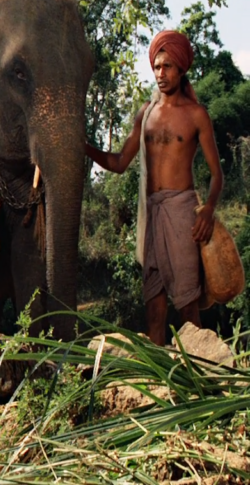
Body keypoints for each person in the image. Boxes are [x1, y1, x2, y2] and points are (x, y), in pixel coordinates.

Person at [85, 30, 223, 346]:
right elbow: (120, 163)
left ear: (181, 70)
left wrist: (209, 210)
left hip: (182, 215)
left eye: (168, 67)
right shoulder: (145, 114)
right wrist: (83, 147)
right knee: (154, 312)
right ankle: (157, 386)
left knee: (189, 309)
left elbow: (217, 175)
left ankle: (201, 379)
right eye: (157, 67)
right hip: (153, 215)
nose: (161, 73)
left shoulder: (196, 115)